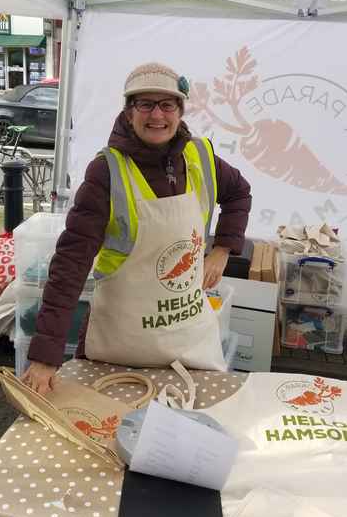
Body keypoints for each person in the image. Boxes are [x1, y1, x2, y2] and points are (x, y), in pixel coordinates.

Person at [22, 62, 252, 395]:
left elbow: (239, 193)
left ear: (180, 110)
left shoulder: (200, 156)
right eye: (145, 103)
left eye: (167, 104)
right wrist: (45, 356)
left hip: (189, 346)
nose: (157, 115)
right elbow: (70, 265)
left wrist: (222, 249)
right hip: (117, 348)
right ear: (129, 111)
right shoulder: (107, 171)